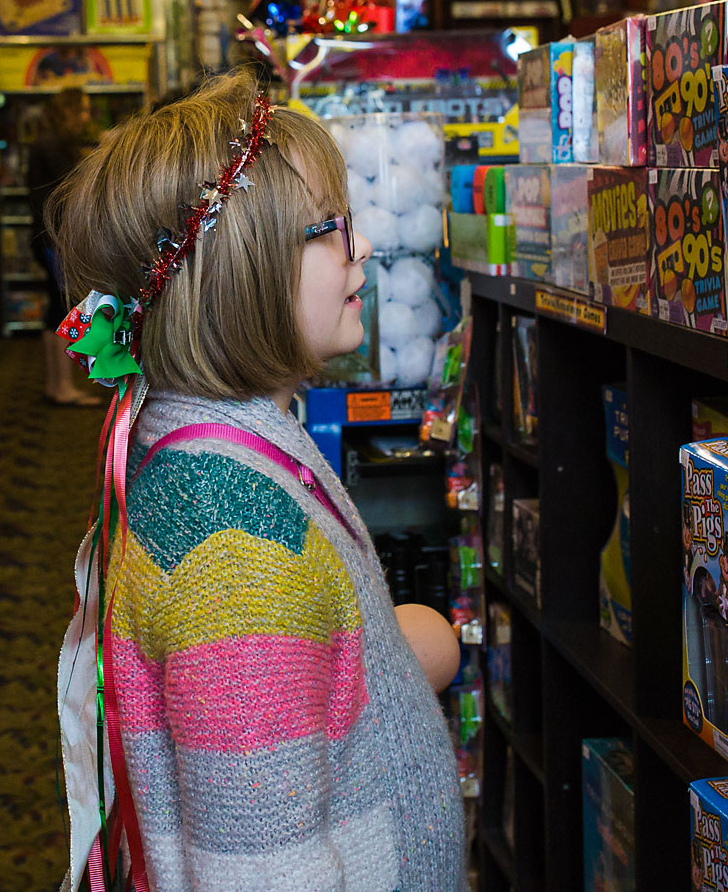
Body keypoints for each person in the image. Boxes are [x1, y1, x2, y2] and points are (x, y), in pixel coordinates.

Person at [48, 70, 465, 892]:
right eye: (331, 228)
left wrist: (384, 655)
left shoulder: (223, 450)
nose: (366, 247)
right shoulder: (233, 550)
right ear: (243, 269)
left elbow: (268, 686)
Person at [29, 86, 101, 406]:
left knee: (55, 310)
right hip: (54, 239)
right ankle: (63, 387)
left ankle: (55, 385)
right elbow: (72, 183)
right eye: (82, 111)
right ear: (69, 111)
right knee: (66, 310)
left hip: (48, 237)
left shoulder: (50, 141)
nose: (86, 117)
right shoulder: (53, 143)